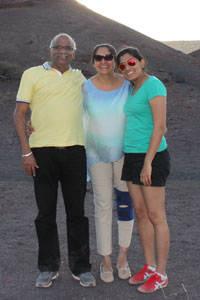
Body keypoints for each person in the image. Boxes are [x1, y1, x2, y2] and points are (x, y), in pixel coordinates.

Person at [13, 33, 96, 288]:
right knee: (45, 213)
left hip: (75, 153)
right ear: (49, 50)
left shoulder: (80, 78)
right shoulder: (32, 74)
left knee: (77, 214)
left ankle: (80, 267)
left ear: (74, 52)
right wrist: (27, 152)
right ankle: (48, 267)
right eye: (58, 47)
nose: (63, 51)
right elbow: (19, 114)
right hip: (42, 154)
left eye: (68, 48)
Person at [116, 47, 170, 293]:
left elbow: (160, 126)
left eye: (130, 62)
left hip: (153, 156)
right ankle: (148, 266)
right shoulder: (130, 88)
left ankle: (161, 273)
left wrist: (148, 162)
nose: (127, 68)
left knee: (156, 216)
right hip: (132, 155)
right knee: (140, 212)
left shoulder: (154, 85)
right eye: (122, 66)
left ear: (142, 61)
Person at [82, 44, 135, 283]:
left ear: (115, 60)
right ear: (93, 61)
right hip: (96, 155)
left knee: (125, 204)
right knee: (102, 205)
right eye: (99, 57)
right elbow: (77, 119)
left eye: (108, 57)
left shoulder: (127, 85)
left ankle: (123, 257)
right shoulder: (85, 88)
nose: (104, 61)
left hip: (125, 155)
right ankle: (106, 260)